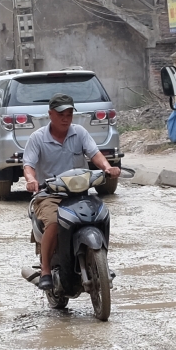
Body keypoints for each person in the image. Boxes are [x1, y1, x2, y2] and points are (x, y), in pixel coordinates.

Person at [22, 93, 121, 289]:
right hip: (50, 195)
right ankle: (45, 270)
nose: (65, 118)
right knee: (53, 223)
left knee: (101, 216)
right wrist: (31, 179)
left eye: (69, 114)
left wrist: (107, 168)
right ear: (50, 114)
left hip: (80, 193)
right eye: (61, 114)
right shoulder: (37, 138)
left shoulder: (80, 133)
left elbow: (95, 154)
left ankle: (101, 262)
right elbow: (28, 165)